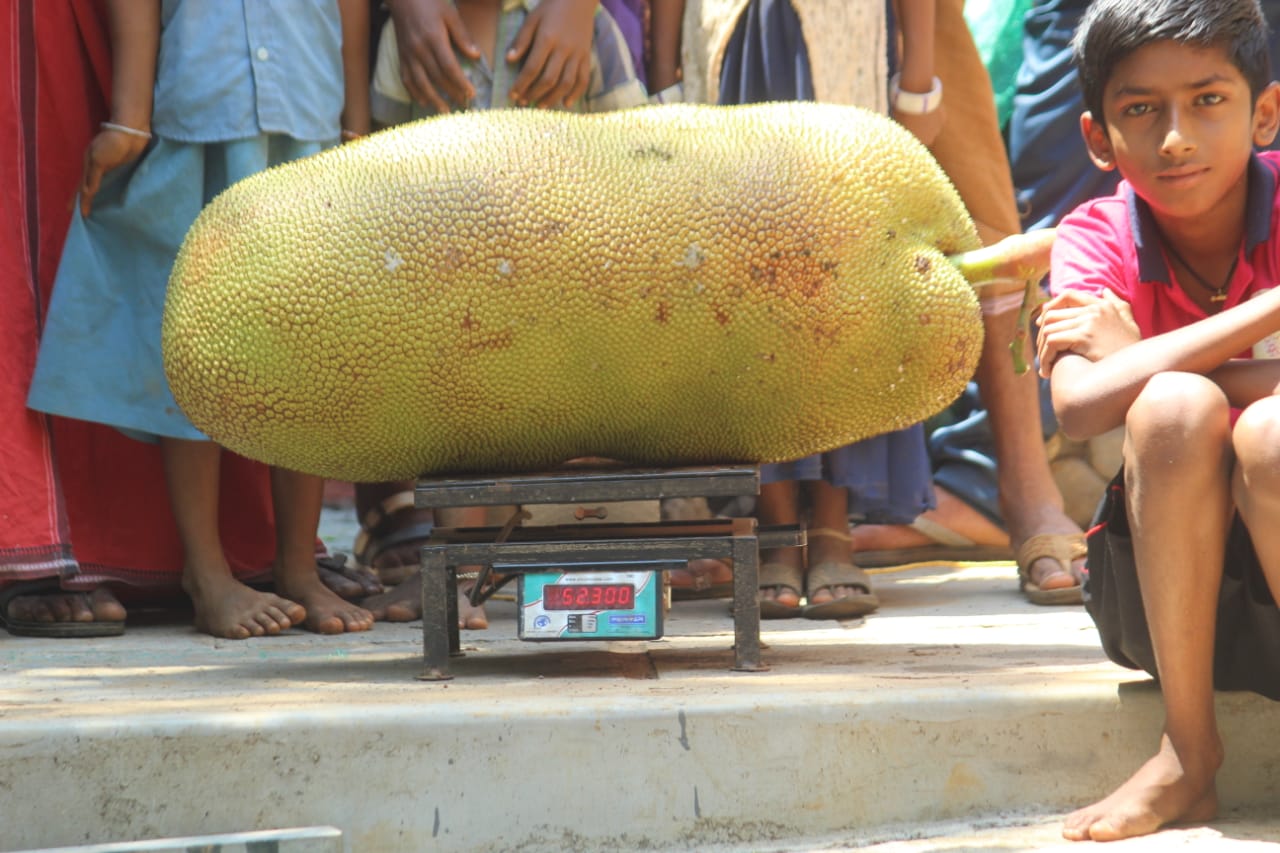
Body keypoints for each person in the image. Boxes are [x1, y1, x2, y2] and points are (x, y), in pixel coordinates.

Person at [682, 0, 1086, 615]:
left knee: (978, 227)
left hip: (881, 23)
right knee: (744, 260)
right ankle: (772, 526)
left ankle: (1024, 491)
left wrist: (918, 74)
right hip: (729, 26)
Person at [23, 0, 375, 639]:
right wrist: (129, 117)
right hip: (200, 121)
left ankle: (297, 564)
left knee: (309, 349)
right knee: (196, 347)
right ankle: (206, 572)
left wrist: (356, 127)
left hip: (308, 122)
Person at [1035, 0, 1280, 839]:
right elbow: (1077, 403)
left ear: (1265, 113)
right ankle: (1187, 752)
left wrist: (1148, 351)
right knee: (1175, 410)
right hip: (1166, 607)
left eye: (1208, 100)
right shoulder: (1093, 237)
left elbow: (1115, 385)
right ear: (1100, 138)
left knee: (1269, 435)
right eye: (1142, 110)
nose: (1175, 136)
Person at [354, 0, 679, 627]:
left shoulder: (589, 32)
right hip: (449, 295)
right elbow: (374, 169)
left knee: (574, 437)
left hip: (568, 293)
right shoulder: (408, 37)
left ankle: (584, 572)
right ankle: (453, 571)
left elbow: (640, 166)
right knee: (451, 411)